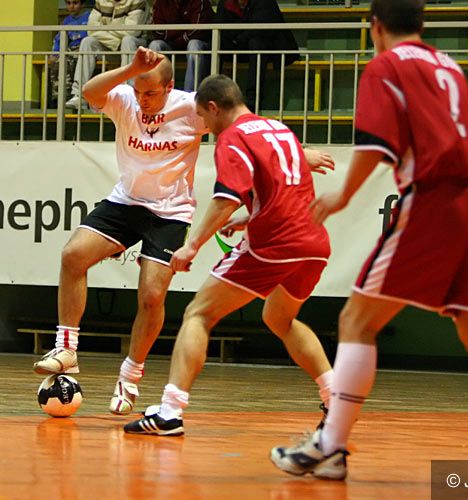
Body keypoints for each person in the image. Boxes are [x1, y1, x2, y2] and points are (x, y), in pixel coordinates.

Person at [270, 0, 468, 483]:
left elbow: (375, 145)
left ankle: (330, 447)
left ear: (374, 26)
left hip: (433, 199)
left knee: (356, 320)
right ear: (422, 23)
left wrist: (343, 195)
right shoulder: (449, 65)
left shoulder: (386, 66)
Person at [123, 74, 335, 436]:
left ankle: (170, 412)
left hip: (275, 243)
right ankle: (336, 397)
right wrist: (249, 217)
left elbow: (225, 197)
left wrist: (192, 245)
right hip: (314, 244)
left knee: (198, 314)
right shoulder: (278, 129)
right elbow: (285, 190)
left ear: (213, 107)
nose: (204, 126)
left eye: (203, 118)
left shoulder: (233, 137)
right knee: (280, 318)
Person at [33, 47, 210, 416]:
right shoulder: (125, 99)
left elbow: (240, 127)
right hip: (126, 202)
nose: (143, 100)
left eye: (151, 93)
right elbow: (89, 92)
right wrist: (131, 68)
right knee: (73, 255)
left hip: (170, 213)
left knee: (151, 297)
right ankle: (66, 348)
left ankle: (130, 376)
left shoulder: (191, 108)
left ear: (170, 87)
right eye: (138, 91)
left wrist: (295, 154)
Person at [215, 0, 299, 111]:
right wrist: (235, 38)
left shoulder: (264, 2)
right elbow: (219, 26)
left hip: (271, 48)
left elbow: (262, 28)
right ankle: (210, 95)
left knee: (257, 43)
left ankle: (253, 100)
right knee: (214, 44)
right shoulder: (226, 3)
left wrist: (238, 37)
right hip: (240, 44)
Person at [66, 0, 148, 109]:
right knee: (88, 41)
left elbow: (132, 31)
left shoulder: (137, 1)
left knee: (128, 40)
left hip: (135, 48)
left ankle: (127, 94)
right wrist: (115, 41)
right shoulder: (101, 2)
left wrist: (105, 31)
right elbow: (91, 29)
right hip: (112, 46)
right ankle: (79, 95)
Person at [148, 0, 215, 92]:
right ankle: (156, 91)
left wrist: (173, 34)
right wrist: (182, 33)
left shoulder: (199, 1)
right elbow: (158, 31)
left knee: (194, 45)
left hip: (196, 44)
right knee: (155, 45)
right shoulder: (161, 2)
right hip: (171, 44)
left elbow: (197, 29)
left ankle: (190, 94)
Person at [48, 0, 90, 108]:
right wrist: (55, 53)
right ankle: (58, 98)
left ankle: (70, 96)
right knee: (57, 62)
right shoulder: (66, 21)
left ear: (82, 4)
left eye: (75, 3)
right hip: (70, 50)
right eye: (68, 3)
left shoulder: (89, 17)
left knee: (70, 60)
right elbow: (59, 39)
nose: (71, 6)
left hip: (84, 49)